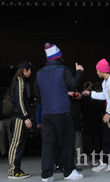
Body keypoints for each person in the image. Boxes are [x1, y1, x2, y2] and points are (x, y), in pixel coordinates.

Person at [34, 42, 84, 181]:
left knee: (48, 143)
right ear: (58, 57)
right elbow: (74, 83)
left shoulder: (39, 73)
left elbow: (36, 93)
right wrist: (79, 71)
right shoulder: (63, 70)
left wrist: (45, 103)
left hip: (46, 113)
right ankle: (68, 171)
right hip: (62, 111)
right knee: (67, 142)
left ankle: (46, 175)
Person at [7, 60, 33, 179]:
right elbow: (20, 101)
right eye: (29, 70)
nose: (31, 72)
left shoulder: (18, 81)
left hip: (18, 116)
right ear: (24, 70)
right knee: (16, 144)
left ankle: (16, 169)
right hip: (18, 117)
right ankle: (13, 170)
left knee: (18, 143)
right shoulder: (19, 81)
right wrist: (26, 117)